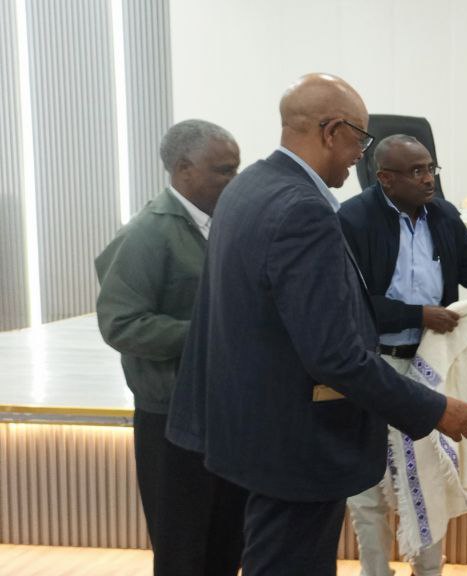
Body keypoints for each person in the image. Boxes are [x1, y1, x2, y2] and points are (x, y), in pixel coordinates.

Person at [165, 73, 467, 576]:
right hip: (297, 439)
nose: (361, 155)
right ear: (333, 131)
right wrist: (434, 409)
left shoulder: (248, 186)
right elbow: (335, 354)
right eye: (360, 140)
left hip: (248, 425)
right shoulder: (304, 209)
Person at [337, 134, 467, 576]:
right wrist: (417, 314)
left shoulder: (443, 215)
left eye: (431, 168)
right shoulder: (353, 219)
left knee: (427, 477)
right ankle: (375, 571)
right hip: (374, 363)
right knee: (368, 484)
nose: (428, 178)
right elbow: (349, 303)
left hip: (431, 363)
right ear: (385, 178)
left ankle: (429, 571)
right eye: (416, 172)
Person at [95, 119, 246, 576]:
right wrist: (208, 333)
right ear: (183, 169)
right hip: (171, 419)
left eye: (236, 168)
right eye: (224, 170)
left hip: (222, 411)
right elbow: (121, 324)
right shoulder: (146, 233)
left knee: (226, 543)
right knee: (182, 550)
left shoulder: (221, 226)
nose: (234, 180)